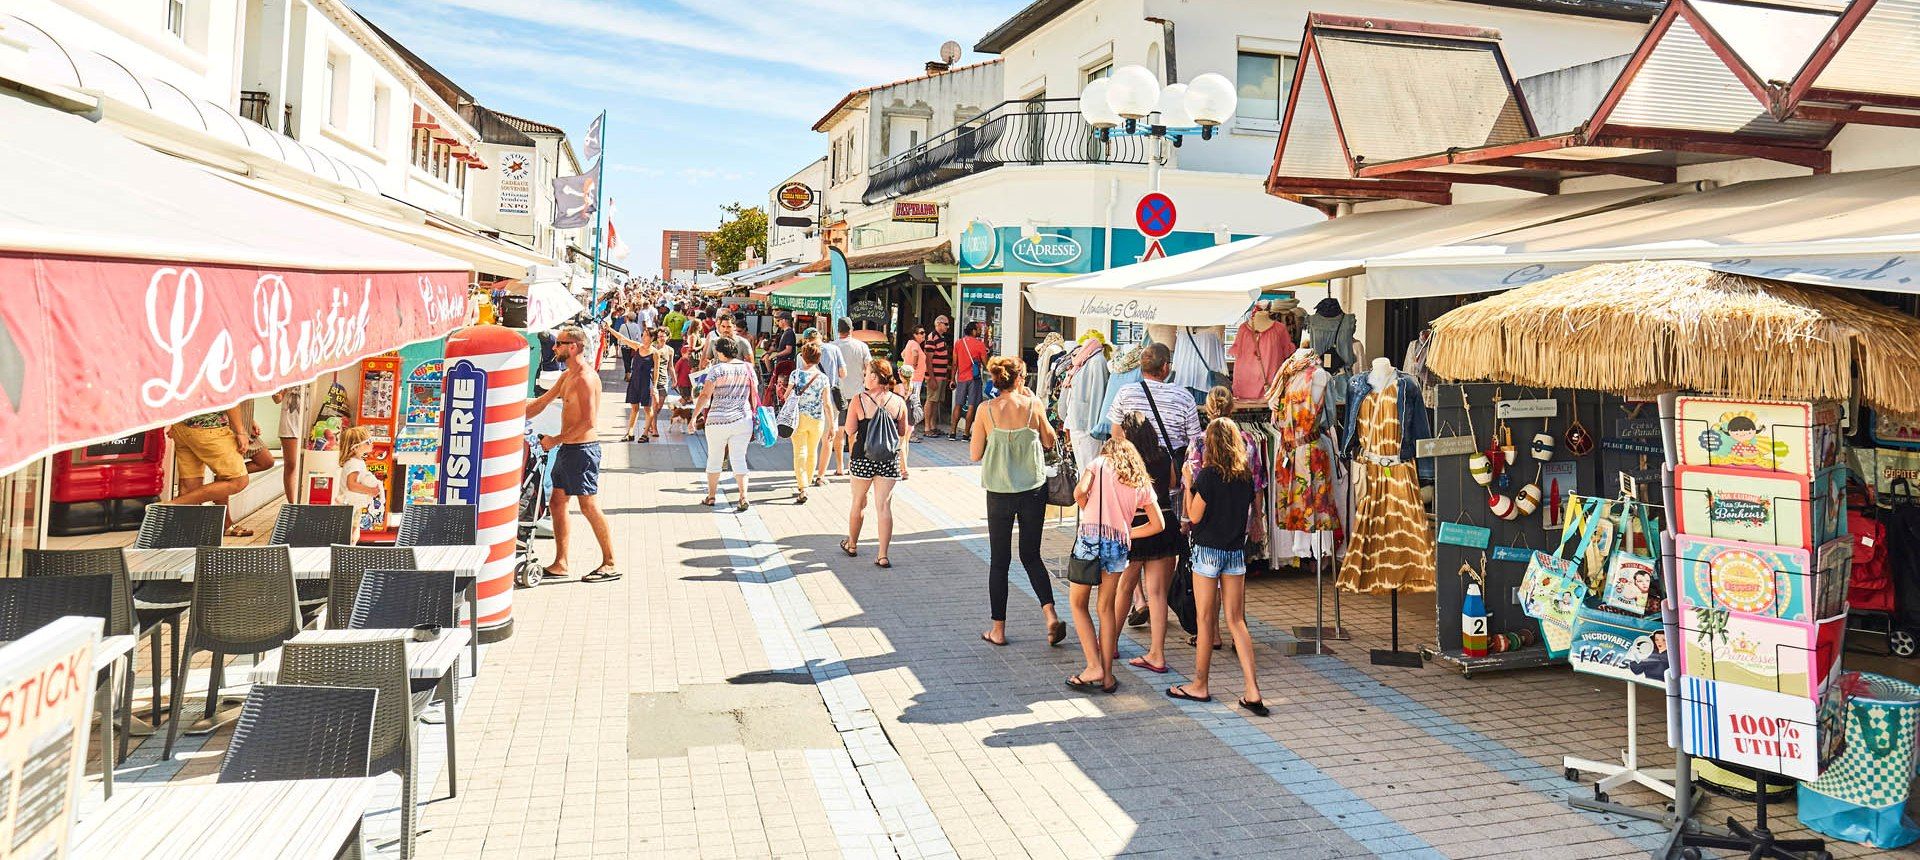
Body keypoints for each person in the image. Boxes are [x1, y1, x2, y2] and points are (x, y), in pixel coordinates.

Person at [1107, 342, 1204, 651]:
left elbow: (1115, 436)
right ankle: (1157, 652)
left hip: (1132, 486)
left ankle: (1109, 643)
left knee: (1127, 578)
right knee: (1159, 581)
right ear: (1166, 368)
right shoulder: (1183, 396)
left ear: (1141, 368)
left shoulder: (1125, 394)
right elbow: (1194, 442)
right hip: (1168, 488)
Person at [1168, 417, 1265, 715]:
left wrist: (1188, 484)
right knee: (1237, 620)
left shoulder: (1208, 476)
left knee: (1206, 619)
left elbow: (1193, 516)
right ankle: (1252, 690)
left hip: (1208, 552)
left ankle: (1200, 684)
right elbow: (1248, 510)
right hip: (1235, 553)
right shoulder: (1245, 477)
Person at [969, 357, 1063, 648]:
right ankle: (1050, 615)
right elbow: (1049, 441)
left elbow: (975, 454)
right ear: (1020, 379)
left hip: (999, 492)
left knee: (1000, 561)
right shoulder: (1033, 406)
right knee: (1031, 555)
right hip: (1033, 491)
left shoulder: (986, 410)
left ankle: (998, 630)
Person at [1068, 433, 1163, 695]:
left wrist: (1087, 507)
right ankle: (1108, 676)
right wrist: (1126, 532)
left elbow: (1079, 491)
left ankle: (1092, 666)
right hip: (1117, 544)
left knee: (1077, 603)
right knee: (1106, 608)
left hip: (1090, 539)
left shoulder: (1098, 464)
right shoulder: (1139, 479)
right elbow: (1158, 524)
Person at [527, 325, 619, 582]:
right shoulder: (567, 376)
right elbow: (543, 402)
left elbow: (588, 422)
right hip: (568, 449)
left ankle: (610, 563)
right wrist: (508, 416)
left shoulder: (586, 379)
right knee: (557, 502)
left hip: (583, 451)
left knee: (588, 505)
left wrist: (554, 440)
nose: (554, 348)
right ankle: (561, 562)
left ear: (573, 347)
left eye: (559, 343)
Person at [1110, 410, 1186, 674]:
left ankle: (1111, 644)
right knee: (1157, 594)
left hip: (1136, 526)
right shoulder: (1163, 456)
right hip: (1164, 525)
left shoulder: (1127, 460)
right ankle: (1157, 654)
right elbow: (1174, 484)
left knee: (1124, 588)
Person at [839, 359, 909, 569]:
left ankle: (852, 544)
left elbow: (850, 430)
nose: (864, 377)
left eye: (867, 373)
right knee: (884, 506)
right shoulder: (898, 401)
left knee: (858, 501)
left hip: (862, 457)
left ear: (875, 376)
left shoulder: (859, 400)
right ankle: (882, 555)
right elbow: (902, 432)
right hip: (888, 459)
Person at [167, 404, 256, 535]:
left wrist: (170, 421)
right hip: (209, 427)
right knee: (238, 480)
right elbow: (230, 398)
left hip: (182, 426)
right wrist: (240, 431)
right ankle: (172, 505)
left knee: (189, 486)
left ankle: (187, 537)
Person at [692, 336, 758, 512]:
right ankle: (743, 496)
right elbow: (754, 393)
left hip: (717, 420)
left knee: (714, 457)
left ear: (720, 352)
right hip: (743, 419)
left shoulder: (716, 370)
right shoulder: (748, 368)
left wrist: (694, 417)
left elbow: (705, 395)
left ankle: (711, 496)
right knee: (738, 458)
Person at [787, 342, 831, 504]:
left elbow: (786, 396)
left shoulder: (795, 375)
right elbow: (827, 403)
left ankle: (803, 486)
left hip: (798, 418)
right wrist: (832, 425)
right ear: (819, 359)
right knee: (812, 451)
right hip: (817, 418)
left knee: (799, 452)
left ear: (803, 357)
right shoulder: (823, 378)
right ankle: (808, 482)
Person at [829, 319, 871, 477]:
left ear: (837, 330)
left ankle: (839, 467)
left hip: (836, 395)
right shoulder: (861, 346)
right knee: (853, 433)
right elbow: (869, 368)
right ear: (852, 329)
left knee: (838, 431)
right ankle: (852, 466)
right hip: (856, 395)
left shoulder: (832, 347)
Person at [606, 325, 661, 443]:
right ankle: (630, 432)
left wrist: (655, 387)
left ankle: (645, 433)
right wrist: (610, 329)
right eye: (643, 334)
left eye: (646, 335)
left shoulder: (655, 353)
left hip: (646, 382)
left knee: (647, 408)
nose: (643, 337)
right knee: (634, 407)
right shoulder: (637, 346)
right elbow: (622, 338)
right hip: (634, 380)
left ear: (652, 338)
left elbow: (656, 371)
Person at [808, 327, 843, 487]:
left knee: (810, 440)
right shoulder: (834, 349)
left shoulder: (802, 354)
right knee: (827, 438)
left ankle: (807, 474)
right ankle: (821, 476)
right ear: (821, 336)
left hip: (809, 401)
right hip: (831, 398)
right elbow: (843, 373)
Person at [336, 425, 383, 542]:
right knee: (352, 531)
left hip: (350, 503)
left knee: (353, 529)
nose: (372, 443)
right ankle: (349, 550)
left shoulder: (354, 462)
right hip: (351, 504)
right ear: (355, 448)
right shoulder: (354, 463)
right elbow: (351, 484)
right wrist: (371, 491)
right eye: (368, 441)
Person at [945, 321, 990, 440]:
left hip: (961, 378)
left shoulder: (959, 343)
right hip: (974, 379)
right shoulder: (979, 345)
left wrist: (952, 379)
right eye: (979, 329)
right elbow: (986, 364)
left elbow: (955, 363)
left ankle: (952, 432)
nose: (980, 332)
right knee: (971, 406)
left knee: (958, 404)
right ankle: (966, 433)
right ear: (973, 330)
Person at [272, 384, 309, 503]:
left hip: (310, 418)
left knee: (307, 463)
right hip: (290, 420)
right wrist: (283, 389)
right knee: (292, 464)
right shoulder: (285, 368)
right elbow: (276, 398)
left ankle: (305, 501)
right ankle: (293, 505)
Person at [921, 316, 953, 436]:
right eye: (946, 324)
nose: (948, 327)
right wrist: (931, 377)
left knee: (936, 401)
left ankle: (933, 426)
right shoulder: (932, 337)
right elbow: (928, 359)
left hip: (941, 375)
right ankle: (927, 427)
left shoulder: (941, 338)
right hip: (935, 376)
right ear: (939, 324)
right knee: (931, 400)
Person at [898, 327, 927, 441]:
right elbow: (914, 354)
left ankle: (908, 430)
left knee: (909, 403)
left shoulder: (910, 343)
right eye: (921, 333)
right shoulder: (914, 344)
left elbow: (902, 354)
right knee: (913, 404)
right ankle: (911, 432)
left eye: (924, 333)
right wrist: (914, 365)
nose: (923, 335)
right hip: (915, 378)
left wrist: (907, 364)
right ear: (914, 334)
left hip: (912, 378)